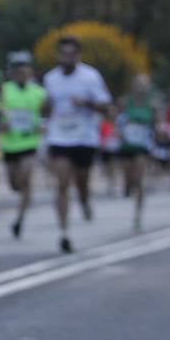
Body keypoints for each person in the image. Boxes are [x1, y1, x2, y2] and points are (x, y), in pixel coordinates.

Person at [41, 36, 112, 253]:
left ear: (78, 56)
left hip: (84, 137)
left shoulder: (90, 77)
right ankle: (64, 232)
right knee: (62, 183)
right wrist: (46, 107)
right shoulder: (50, 78)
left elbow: (106, 108)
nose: (67, 58)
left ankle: (84, 199)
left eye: (72, 54)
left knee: (81, 181)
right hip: (59, 137)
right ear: (58, 55)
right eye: (63, 54)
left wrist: (86, 103)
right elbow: (44, 110)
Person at [0, 51, 46, 238]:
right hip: (10, 145)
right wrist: (1, 123)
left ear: (30, 71)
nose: (21, 73)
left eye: (25, 70)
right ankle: (23, 199)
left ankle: (20, 218)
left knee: (25, 178)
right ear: (11, 72)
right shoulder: (4, 90)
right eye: (17, 70)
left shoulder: (39, 92)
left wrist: (42, 126)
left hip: (29, 143)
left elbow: (45, 113)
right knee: (14, 184)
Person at [117, 74, 159, 231]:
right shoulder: (125, 101)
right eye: (138, 84)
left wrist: (155, 145)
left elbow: (155, 127)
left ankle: (138, 215)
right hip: (127, 145)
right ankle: (128, 186)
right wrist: (119, 132)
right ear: (133, 86)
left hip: (142, 146)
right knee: (129, 178)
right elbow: (118, 119)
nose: (141, 87)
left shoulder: (152, 105)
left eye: (144, 84)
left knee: (139, 179)